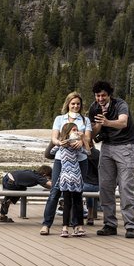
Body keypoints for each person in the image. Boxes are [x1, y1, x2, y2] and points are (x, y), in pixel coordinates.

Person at [89, 80, 134, 239]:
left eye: (103, 95)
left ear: (109, 95)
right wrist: (99, 123)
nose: (100, 98)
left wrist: (107, 121)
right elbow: (93, 133)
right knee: (105, 187)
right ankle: (109, 224)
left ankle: (130, 226)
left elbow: (123, 122)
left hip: (125, 147)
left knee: (125, 187)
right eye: (98, 95)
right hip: (107, 147)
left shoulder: (121, 105)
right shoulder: (94, 108)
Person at [39, 91, 91, 235]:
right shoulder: (59, 119)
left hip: (80, 160)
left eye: (78, 104)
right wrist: (59, 142)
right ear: (68, 104)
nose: (75, 106)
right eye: (73, 103)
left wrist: (81, 142)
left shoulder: (85, 121)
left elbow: (88, 139)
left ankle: (77, 225)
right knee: (55, 191)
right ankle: (46, 224)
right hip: (61, 160)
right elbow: (54, 138)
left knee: (77, 193)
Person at [58, 123, 86, 237]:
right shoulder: (63, 144)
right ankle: (65, 227)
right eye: (74, 130)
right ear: (68, 131)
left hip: (75, 175)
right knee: (68, 202)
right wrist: (59, 142)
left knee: (78, 201)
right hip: (66, 175)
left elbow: (87, 152)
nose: (76, 131)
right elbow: (50, 151)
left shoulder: (76, 145)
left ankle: (78, 226)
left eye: (77, 130)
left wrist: (82, 139)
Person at [82, 146, 100, 225]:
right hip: (99, 184)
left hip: (87, 184)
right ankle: (90, 214)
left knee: (75, 189)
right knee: (89, 191)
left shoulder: (82, 153)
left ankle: (82, 213)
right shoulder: (98, 153)